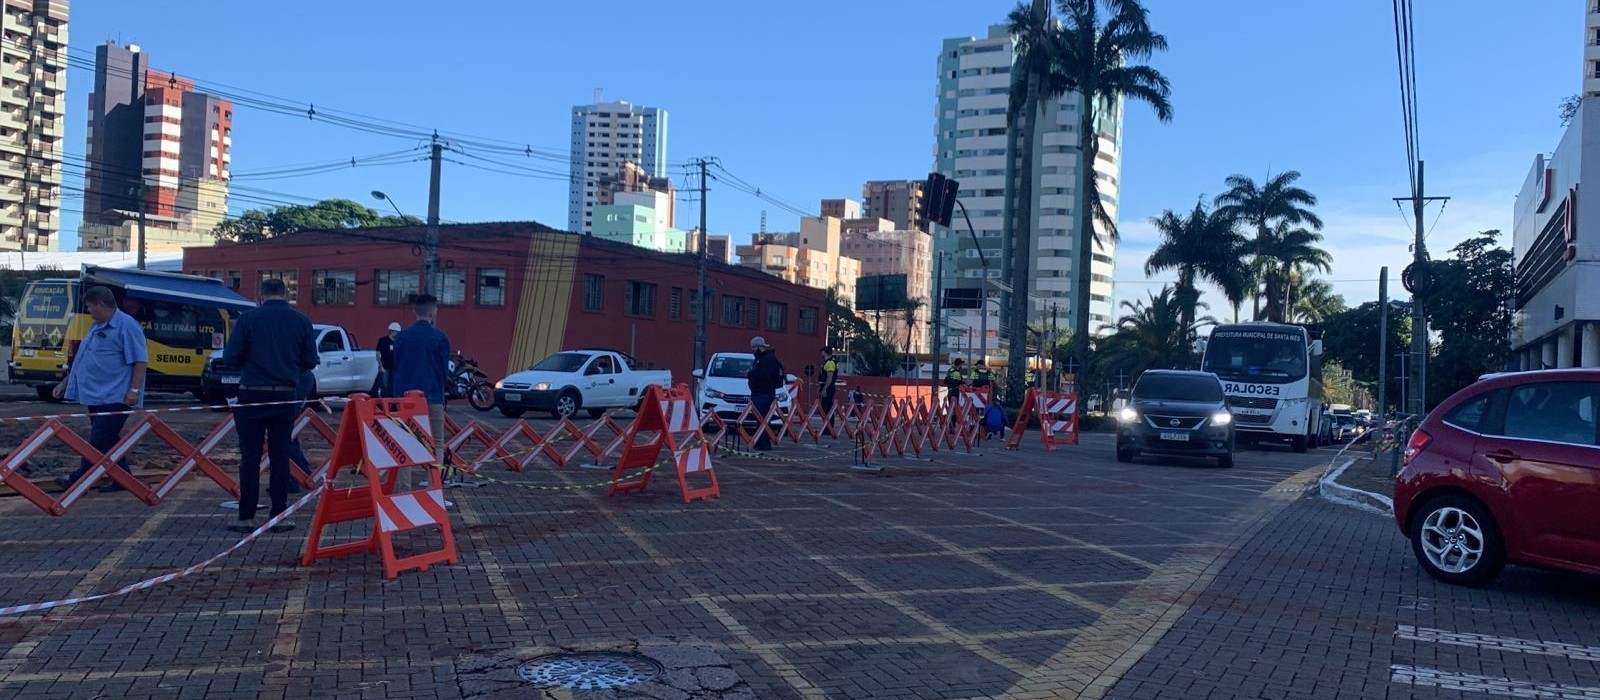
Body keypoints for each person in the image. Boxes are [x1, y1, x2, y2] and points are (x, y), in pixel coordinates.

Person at [223, 278, 319, 534]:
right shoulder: (301, 321)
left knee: (250, 457)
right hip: (284, 395)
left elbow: (230, 358)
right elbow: (310, 360)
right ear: (286, 294)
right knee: (280, 455)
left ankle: (246, 517)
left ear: (261, 294)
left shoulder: (247, 319)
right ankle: (279, 515)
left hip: (251, 394)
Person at [53, 286, 148, 493]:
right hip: (96, 395)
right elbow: (82, 359)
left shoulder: (127, 327)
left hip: (117, 396)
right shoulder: (96, 326)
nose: (89, 312)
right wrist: (65, 383)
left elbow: (140, 361)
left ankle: (79, 479)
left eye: (90, 307)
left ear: (101, 304)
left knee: (99, 438)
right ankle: (123, 479)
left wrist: (133, 391)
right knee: (109, 439)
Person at [393, 294, 451, 484]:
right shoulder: (440, 337)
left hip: (404, 398)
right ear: (434, 312)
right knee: (437, 444)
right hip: (432, 395)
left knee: (405, 442)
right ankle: (434, 486)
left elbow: (395, 367)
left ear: (414, 311)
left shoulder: (401, 337)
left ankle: (403, 488)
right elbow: (443, 369)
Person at [746, 336, 784, 451]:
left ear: (759, 346)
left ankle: (765, 443)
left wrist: (750, 374)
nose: (752, 349)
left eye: (753, 347)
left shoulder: (767, 359)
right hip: (759, 393)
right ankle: (760, 441)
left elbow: (765, 376)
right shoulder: (760, 358)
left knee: (763, 418)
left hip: (764, 393)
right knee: (759, 419)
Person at [817, 346, 839, 437]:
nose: (820, 354)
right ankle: (826, 427)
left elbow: (829, 378)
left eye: (821, 352)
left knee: (827, 408)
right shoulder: (827, 362)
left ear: (825, 352)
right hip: (825, 387)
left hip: (828, 388)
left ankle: (828, 428)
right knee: (825, 408)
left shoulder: (830, 363)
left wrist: (824, 389)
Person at [375, 322, 400, 396]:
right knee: (385, 386)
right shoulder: (383, 341)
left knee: (393, 385)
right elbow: (377, 354)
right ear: (391, 331)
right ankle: (385, 401)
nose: (397, 334)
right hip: (385, 368)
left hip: (395, 368)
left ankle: (393, 403)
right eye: (396, 332)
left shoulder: (398, 342)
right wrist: (381, 366)